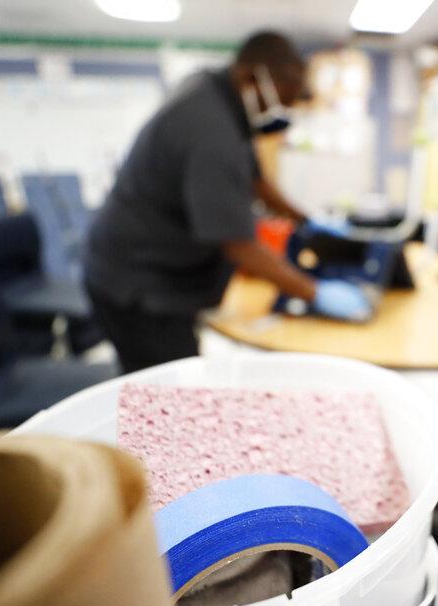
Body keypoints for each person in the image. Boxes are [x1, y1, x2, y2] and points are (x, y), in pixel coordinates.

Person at [84, 31, 369, 374]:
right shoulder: (211, 131)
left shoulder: (222, 98)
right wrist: (315, 292)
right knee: (168, 392)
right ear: (252, 77)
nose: (283, 114)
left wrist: (306, 220)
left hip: (153, 272)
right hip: (137, 285)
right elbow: (238, 244)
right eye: (282, 101)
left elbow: (257, 182)